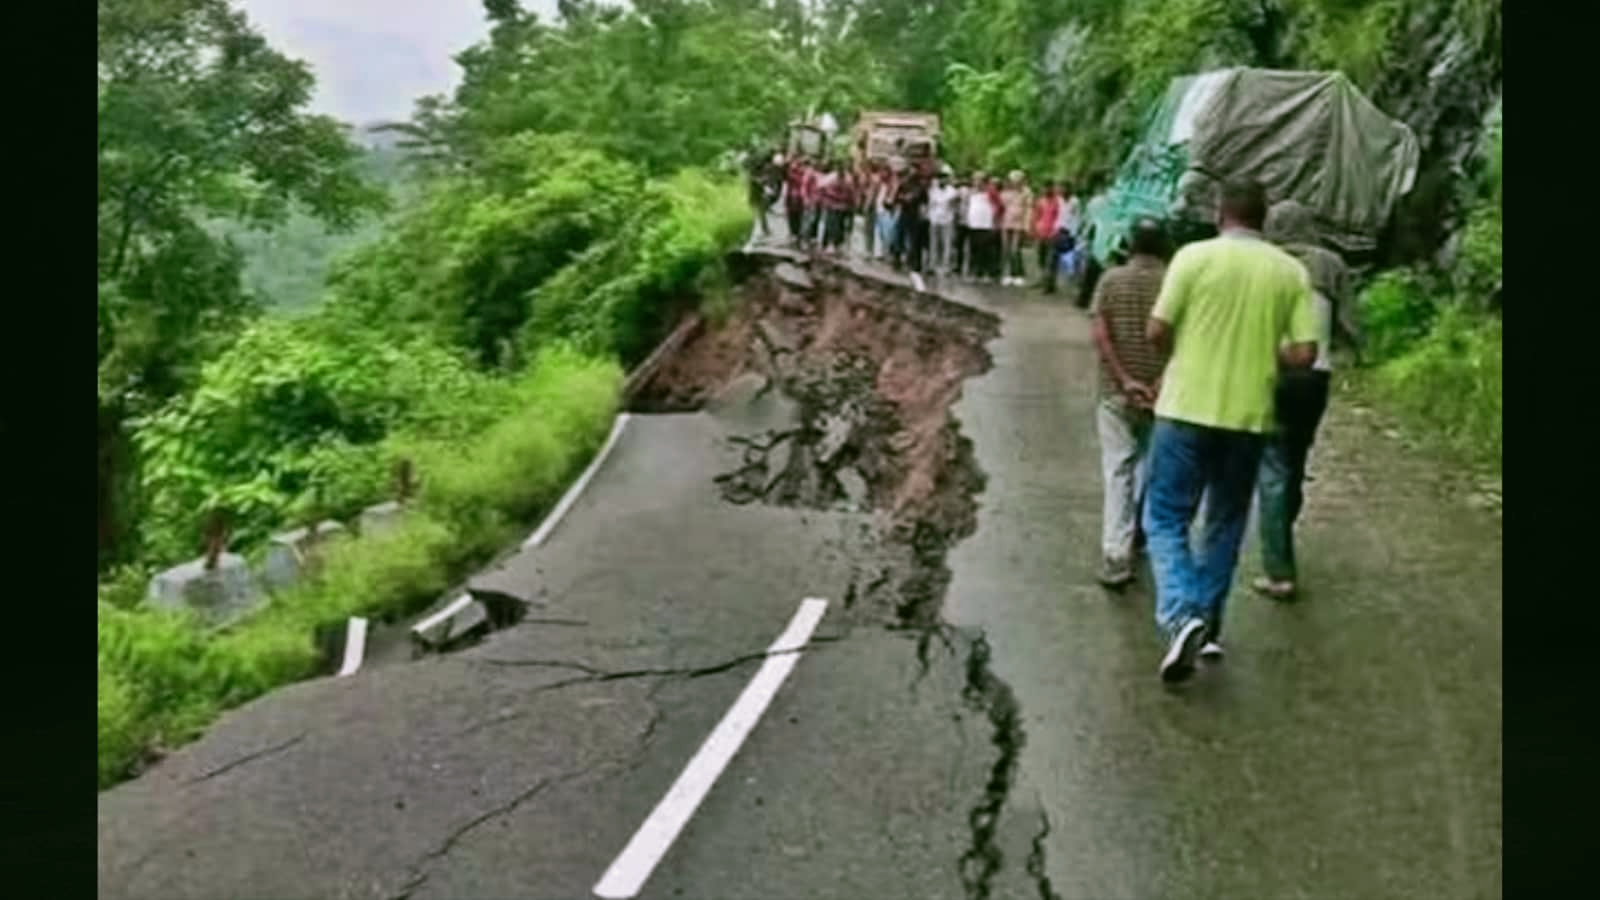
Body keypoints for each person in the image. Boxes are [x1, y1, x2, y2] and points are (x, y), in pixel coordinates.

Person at [1141, 178, 1319, 684]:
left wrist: (1185, 347)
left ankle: (1181, 614)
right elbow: (1306, 354)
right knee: (1224, 523)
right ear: (1264, 217)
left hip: (1184, 409)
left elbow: (1156, 330)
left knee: (1166, 517)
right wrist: (1266, 351)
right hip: (1249, 417)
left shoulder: (1193, 258)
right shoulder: (1290, 271)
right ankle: (1207, 625)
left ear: (1221, 211)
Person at [1252, 199, 1350, 599]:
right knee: (1294, 459)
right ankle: (1282, 534)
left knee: (1273, 466)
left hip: (1275, 371)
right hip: (1316, 378)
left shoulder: (1265, 261)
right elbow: (1348, 321)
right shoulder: (1330, 263)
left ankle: (1279, 571)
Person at [1090, 219, 1168, 587]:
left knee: (1118, 469)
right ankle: (1140, 534)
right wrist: (1159, 382)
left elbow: (1100, 334)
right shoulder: (1174, 282)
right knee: (1152, 469)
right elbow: (1183, 337)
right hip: (1163, 396)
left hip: (1115, 392)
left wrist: (1125, 379)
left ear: (1131, 244)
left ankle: (1115, 556)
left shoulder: (1110, 280)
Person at [1000, 171, 1032, 286]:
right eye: (1013, 180)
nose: (1015, 182)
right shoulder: (1005, 192)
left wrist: (1027, 225)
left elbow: (1028, 209)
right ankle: (1007, 274)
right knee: (1006, 250)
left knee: (1015, 250)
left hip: (1018, 225)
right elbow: (1002, 206)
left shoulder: (1026, 192)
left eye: (1018, 180)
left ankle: (1018, 274)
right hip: (1006, 223)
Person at [965, 176, 1000, 283]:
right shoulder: (971, 193)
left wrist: (994, 220)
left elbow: (998, 206)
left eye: (980, 182)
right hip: (973, 224)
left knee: (986, 250)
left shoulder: (990, 193)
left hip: (986, 225)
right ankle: (974, 272)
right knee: (973, 250)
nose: (977, 184)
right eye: (976, 181)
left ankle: (988, 273)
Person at [927, 172, 958, 275]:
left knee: (946, 243)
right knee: (934, 243)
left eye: (944, 179)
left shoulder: (952, 191)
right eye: (940, 179)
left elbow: (953, 205)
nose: (941, 181)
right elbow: (931, 204)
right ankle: (932, 265)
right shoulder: (933, 190)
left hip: (947, 220)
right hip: (934, 219)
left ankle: (946, 267)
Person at [1032, 182, 1062, 285]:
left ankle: (1050, 282)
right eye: (1044, 188)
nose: (1046, 190)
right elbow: (1036, 215)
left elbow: (1060, 217)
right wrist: (1035, 229)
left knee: (1051, 259)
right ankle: (1042, 279)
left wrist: (1056, 231)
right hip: (1041, 232)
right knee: (1041, 258)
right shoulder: (1040, 201)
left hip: (1053, 233)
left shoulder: (1057, 202)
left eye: (1048, 188)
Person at [784, 156, 810, 247]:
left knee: (798, 216)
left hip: (799, 198)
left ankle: (797, 235)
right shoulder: (792, 173)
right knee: (792, 216)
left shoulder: (803, 174)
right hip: (792, 197)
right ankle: (794, 234)